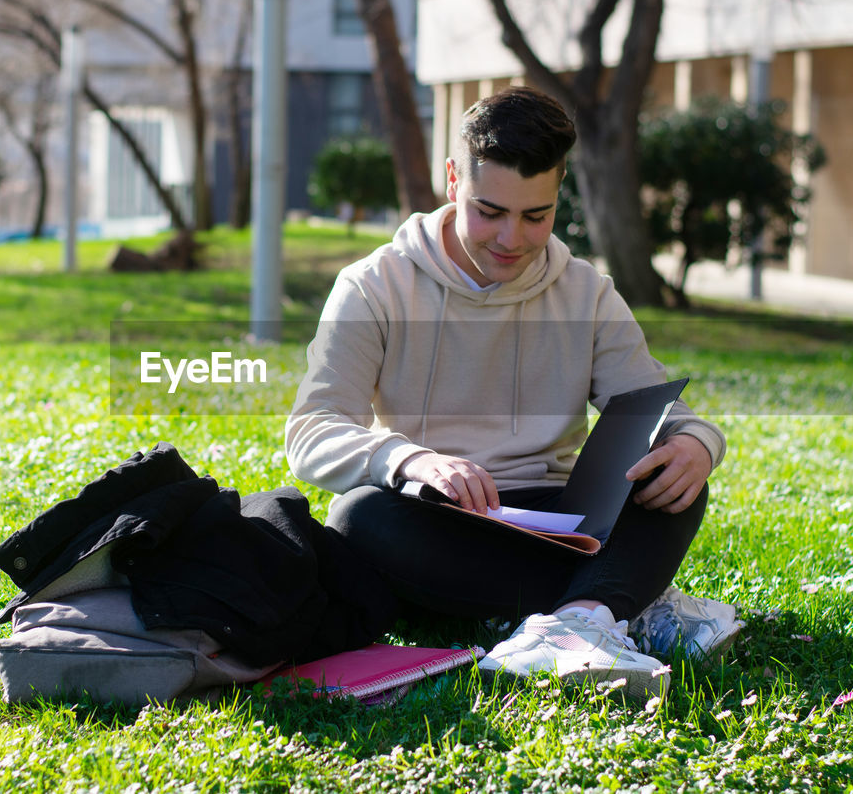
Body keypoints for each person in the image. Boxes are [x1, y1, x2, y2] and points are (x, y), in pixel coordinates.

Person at [285, 86, 739, 699]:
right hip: (445, 516)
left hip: (564, 517)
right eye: (490, 211)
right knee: (359, 517)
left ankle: (576, 624)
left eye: (536, 215)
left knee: (675, 483)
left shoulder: (588, 293)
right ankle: (615, 607)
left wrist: (699, 444)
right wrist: (410, 459)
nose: (513, 239)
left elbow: (657, 408)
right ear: (453, 180)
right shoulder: (373, 286)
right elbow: (312, 430)